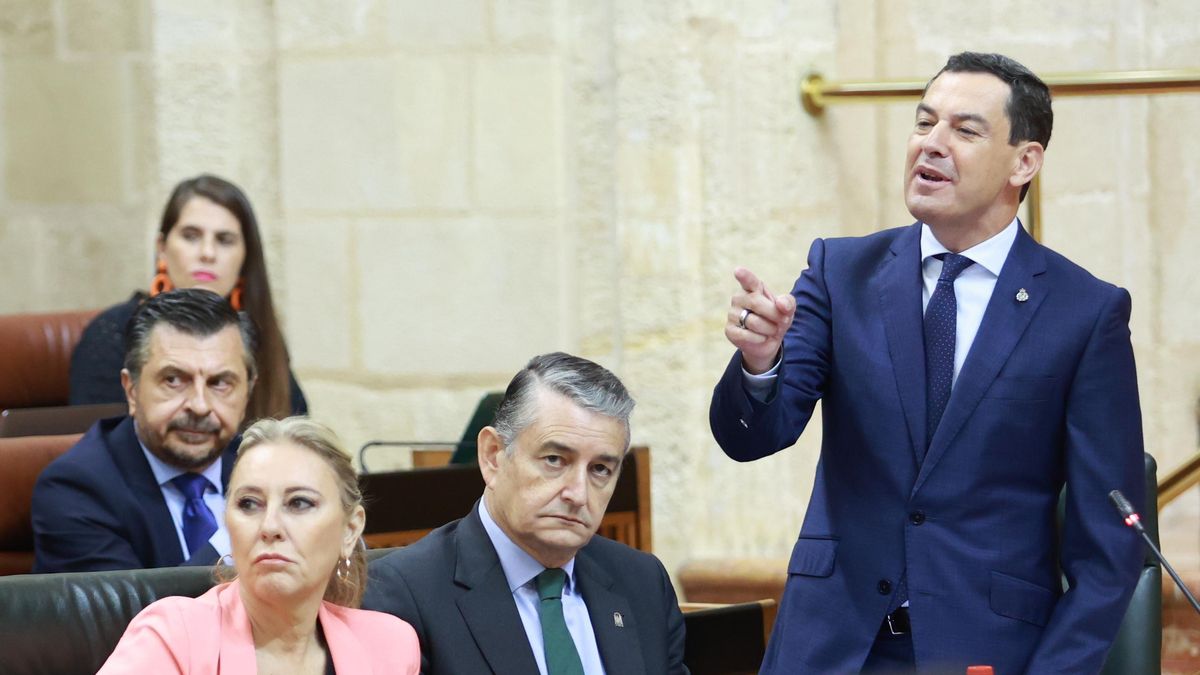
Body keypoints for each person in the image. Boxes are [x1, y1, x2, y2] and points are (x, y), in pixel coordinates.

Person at [709, 52, 1144, 673]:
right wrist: (761, 362)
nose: (931, 145)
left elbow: (1109, 554)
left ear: (1025, 162)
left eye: (965, 131)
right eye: (922, 123)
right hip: (830, 647)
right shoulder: (840, 272)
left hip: (985, 653)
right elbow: (753, 438)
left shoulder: (1083, 313)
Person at [364, 352, 688, 675]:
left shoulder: (642, 583)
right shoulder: (402, 595)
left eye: (600, 469)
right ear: (493, 456)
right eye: (554, 460)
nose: (578, 494)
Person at [97, 416, 420, 674]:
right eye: (249, 504)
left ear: (350, 531)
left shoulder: (389, 646)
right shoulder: (174, 636)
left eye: (299, 503)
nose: (270, 527)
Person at [33, 289, 255, 572]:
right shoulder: (74, 491)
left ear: (247, 393)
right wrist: (239, 536)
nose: (200, 406)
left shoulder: (266, 472)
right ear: (132, 390)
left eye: (220, 383)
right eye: (174, 380)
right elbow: (130, 614)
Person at [69, 174, 307, 421]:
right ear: (162, 248)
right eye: (191, 236)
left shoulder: (261, 337)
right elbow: (97, 444)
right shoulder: (112, 334)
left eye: (224, 240)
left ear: (245, 257)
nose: (207, 253)